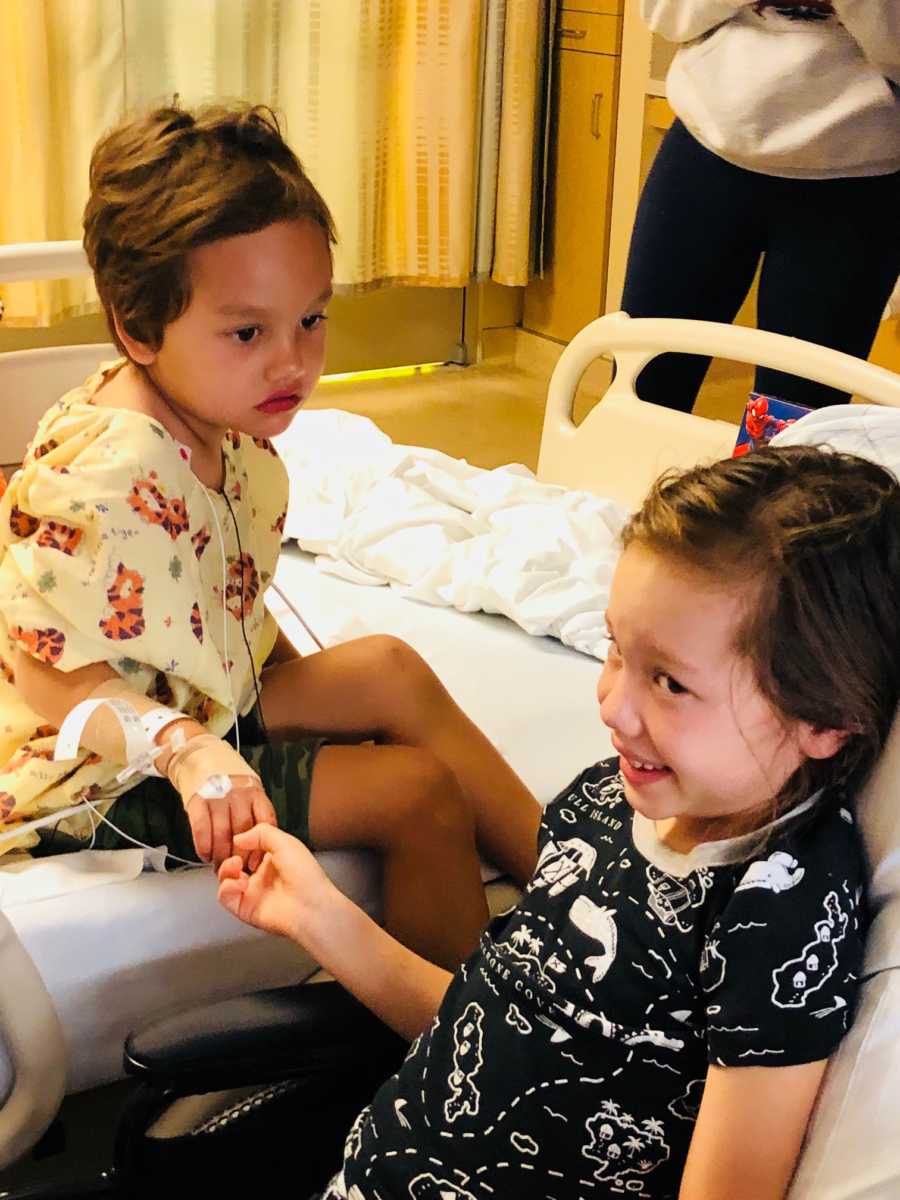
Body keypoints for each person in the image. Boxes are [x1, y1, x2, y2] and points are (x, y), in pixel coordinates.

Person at [219, 444, 900, 1198]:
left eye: (669, 682)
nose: (612, 705)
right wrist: (322, 918)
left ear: (823, 720)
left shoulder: (780, 914)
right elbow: (494, 1030)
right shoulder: (604, 804)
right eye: (615, 649)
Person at [0, 102, 540, 970]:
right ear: (139, 328)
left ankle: (575, 895)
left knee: (385, 668)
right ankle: (477, 1064)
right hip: (107, 773)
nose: (292, 361)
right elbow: (45, 675)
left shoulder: (229, 419)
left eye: (312, 319)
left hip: (210, 707)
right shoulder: (107, 473)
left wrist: (314, 702)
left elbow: (230, 597)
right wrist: (186, 749)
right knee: (414, 795)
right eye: (248, 331)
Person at [621, 0, 900, 413]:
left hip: (857, 180)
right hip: (703, 148)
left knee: (796, 427)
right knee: (639, 390)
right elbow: (662, 13)